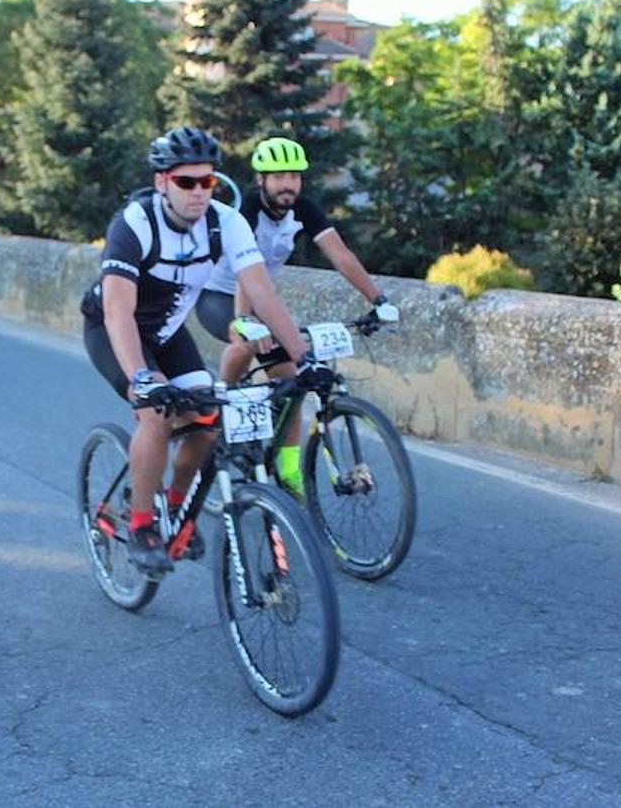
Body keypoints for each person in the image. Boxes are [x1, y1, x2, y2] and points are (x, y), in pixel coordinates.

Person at [80, 126, 335, 576]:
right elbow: (119, 311)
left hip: (168, 332)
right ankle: (142, 525)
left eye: (207, 181)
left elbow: (263, 293)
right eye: (186, 182)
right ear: (163, 182)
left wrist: (305, 357)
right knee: (156, 414)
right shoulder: (135, 224)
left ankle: (176, 505)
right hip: (114, 332)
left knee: (208, 419)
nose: (199, 192)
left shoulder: (226, 221)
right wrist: (142, 379)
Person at [196, 136, 399, 498]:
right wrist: (244, 320)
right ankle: (222, 407)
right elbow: (245, 270)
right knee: (243, 342)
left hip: (260, 297)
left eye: (294, 176)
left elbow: (341, 256)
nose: (288, 184)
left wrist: (378, 300)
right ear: (262, 180)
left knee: (292, 378)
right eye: (279, 177)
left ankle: (288, 466)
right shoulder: (246, 211)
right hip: (219, 294)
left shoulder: (304, 209)